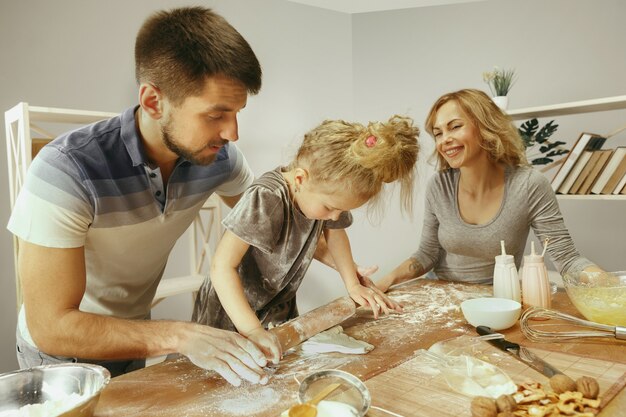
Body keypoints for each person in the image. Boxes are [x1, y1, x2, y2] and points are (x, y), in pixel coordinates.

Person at [7, 6, 272, 386]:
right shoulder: (66, 169)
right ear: (152, 101)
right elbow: (51, 325)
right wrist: (182, 336)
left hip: (134, 338)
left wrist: (342, 263)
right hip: (60, 353)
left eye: (237, 113)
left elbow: (270, 220)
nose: (233, 133)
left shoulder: (221, 158)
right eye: (216, 115)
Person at [192, 115, 420, 361]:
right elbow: (222, 266)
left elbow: (335, 233)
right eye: (330, 208)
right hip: (230, 310)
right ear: (300, 178)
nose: (334, 216)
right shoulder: (267, 197)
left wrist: (352, 283)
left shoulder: (319, 195)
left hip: (277, 307)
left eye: (343, 211)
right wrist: (252, 330)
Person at [377, 89, 602, 292]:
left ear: (484, 127)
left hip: (500, 297)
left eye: (455, 127)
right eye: (438, 133)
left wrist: (611, 285)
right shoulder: (439, 185)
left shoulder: (528, 184)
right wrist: (384, 282)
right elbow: (426, 255)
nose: (445, 140)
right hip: (441, 296)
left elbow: (567, 259)